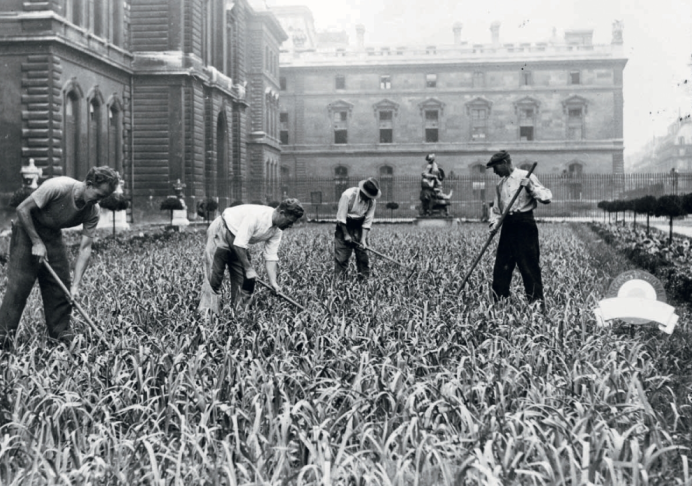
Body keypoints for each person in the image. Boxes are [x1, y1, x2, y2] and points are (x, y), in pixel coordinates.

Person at [0, 166, 120, 347]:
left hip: (52, 235)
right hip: (26, 231)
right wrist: (37, 242)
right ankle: (3, 341)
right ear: (88, 184)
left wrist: (76, 286)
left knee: (61, 288)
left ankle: (61, 340)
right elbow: (22, 209)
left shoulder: (92, 210)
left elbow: (85, 248)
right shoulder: (58, 187)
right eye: (99, 195)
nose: (100, 201)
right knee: (18, 288)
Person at [198, 198, 304, 315]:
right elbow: (239, 245)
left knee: (246, 280)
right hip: (222, 230)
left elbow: (271, 256)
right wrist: (249, 269)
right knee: (214, 276)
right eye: (290, 221)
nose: (291, 225)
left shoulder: (277, 230)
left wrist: (273, 282)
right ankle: (207, 318)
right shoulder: (257, 216)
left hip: (238, 240)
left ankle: (240, 318)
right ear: (282, 213)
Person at [486, 150, 552, 308]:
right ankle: (500, 305)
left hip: (524, 224)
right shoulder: (500, 184)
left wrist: (530, 187)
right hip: (507, 225)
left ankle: (536, 305)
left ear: (504, 163)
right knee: (501, 267)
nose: (494, 171)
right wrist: (494, 224)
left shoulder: (526, 176)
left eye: (496, 167)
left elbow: (547, 197)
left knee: (529, 267)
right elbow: (496, 210)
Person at [334, 178, 381, 279]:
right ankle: (340, 282)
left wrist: (363, 239)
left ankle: (364, 281)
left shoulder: (372, 201)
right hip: (345, 226)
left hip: (359, 228)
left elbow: (368, 221)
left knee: (363, 257)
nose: (369, 198)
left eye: (371, 197)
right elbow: (341, 218)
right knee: (342, 257)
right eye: (368, 196)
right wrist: (346, 234)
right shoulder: (348, 195)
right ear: (363, 192)